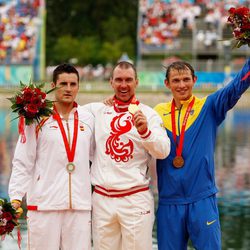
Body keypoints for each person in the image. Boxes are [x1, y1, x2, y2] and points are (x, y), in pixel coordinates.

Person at [154, 59, 250, 250]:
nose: (182, 85)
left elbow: (237, 86)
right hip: (169, 202)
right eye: (176, 80)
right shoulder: (156, 113)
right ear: (167, 84)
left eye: (186, 79)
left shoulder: (209, 107)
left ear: (194, 80)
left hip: (202, 199)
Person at [82, 61, 170, 250]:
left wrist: (145, 131)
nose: (124, 85)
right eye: (119, 80)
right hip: (101, 199)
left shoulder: (149, 114)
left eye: (128, 80)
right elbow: (66, 114)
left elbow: (163, 151)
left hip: (134, 199)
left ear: (136, 82)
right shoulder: (95, 111)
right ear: (111, 83)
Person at [8, 63, 94, 250]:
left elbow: (98, 158)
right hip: (44, 206)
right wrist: (15, 197)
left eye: (73, 84)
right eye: (63, 83)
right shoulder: (37, 118)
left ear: (79, 86)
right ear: (53, 85)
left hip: (79, 207)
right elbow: (23, 162)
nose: (69, 89)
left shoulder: (88, 118)